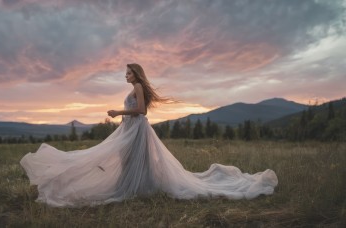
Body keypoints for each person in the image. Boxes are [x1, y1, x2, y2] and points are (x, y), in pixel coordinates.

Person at [20, 63, 278, 207]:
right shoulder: (135, 86)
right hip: (130, 128)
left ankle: (133, 189)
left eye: (129, 72)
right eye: (126, 73)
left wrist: (117, 110)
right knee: (127, 160)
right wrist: (123, 115)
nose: (126, 75)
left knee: (132, 159)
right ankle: (131, 187)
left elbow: (141, 110)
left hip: (136, 128)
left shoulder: (139, 86)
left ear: (136, 73)